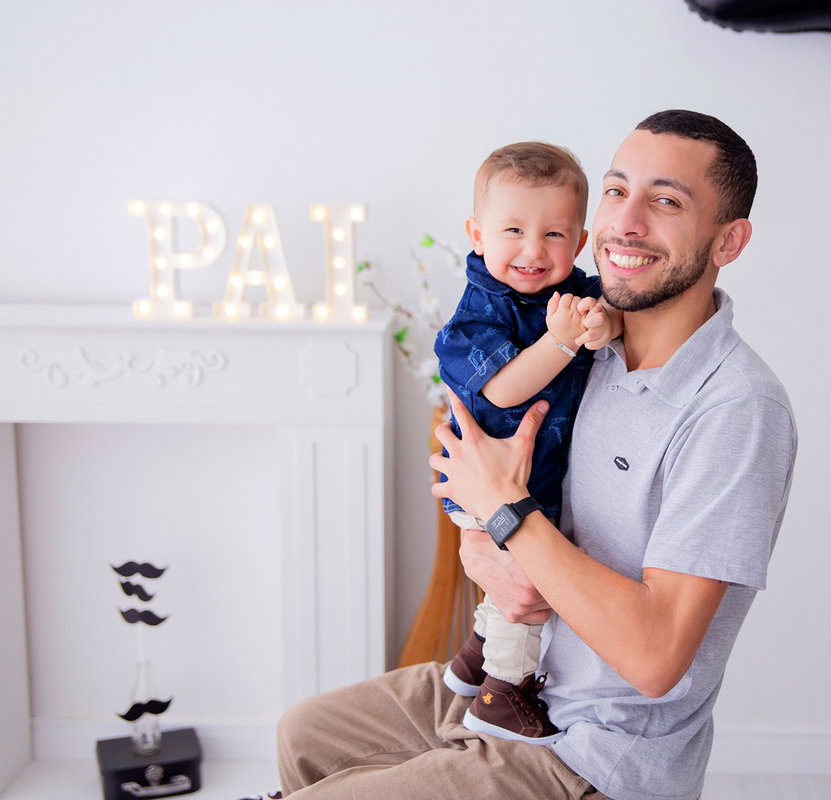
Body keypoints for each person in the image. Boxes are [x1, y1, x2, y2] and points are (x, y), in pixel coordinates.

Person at [275, 109, 798, 800]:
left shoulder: (735, 408)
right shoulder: (587, 343)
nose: (626, 222)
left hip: (591, 751)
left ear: (728, 241)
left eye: (666, 200)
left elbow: (653, 659)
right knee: (304, 734)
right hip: (514, 674)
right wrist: (479, 542)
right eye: (616, 191)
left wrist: (506, 513)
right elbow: (490, 476)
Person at [432, 141, 620, 744]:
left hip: (532, 486)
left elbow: (609, 314)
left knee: (519, 576)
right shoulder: (475, 316)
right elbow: (508, 389)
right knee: (526, 587)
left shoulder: (574, 292)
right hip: (487, 488)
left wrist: (603, 323)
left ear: (581, 241)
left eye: (555, 235)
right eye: (513, 230)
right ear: (477, 233)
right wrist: (564, 343)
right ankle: (501, 692)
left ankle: (472, 660)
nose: (534, 251)